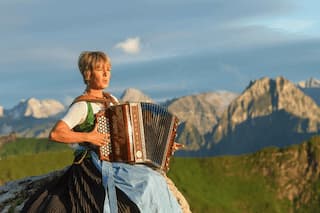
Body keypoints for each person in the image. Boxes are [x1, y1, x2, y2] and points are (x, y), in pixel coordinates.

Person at [22, 51, 190, 213]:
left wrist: (164, 144)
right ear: (88, 73)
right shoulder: (82, 106)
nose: (106, 74)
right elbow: (56, 133)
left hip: (118, 161)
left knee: (155, 179)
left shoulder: (112, 101)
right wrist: (89, 136)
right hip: (94, 163)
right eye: (100, 69)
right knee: (147, 181)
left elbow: (130, 133)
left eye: (108, 69)